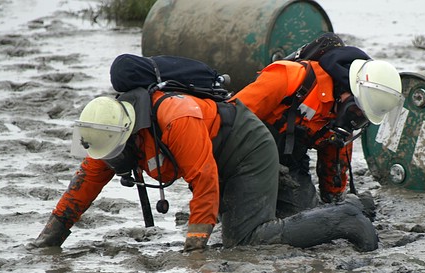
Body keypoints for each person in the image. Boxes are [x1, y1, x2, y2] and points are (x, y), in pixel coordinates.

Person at [30, 87, 379, 252]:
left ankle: (345, 218)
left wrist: (195, 247)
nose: (110, 163)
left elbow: (205, 181)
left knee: (246, 240)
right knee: (295, 216)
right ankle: (355, 208)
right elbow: (85, 182)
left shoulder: (174, 119)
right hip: (220, 155)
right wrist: (51, 237)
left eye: (114, 155)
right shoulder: (108, 130)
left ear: (128, 133)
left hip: (245, 147)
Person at [231, 43, 403, 217]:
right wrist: (260, 164)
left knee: (303, 213)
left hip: (289, 163)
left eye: (362, 116)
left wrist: (336, 201)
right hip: (242, 155)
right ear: (346, 87)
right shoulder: (288, 78)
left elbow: (335, 162)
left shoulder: (342, 117)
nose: (355, 118)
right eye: (357, 111)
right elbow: (227, 121)